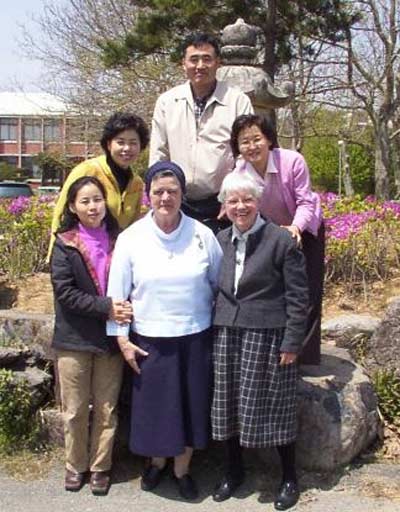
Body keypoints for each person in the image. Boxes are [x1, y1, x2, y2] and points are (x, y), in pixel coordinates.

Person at [106, 161, 223, 500]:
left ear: (183, 194)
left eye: (173, 191)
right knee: (157, 408)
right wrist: (123, 340)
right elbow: (117, 294)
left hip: (195, 335)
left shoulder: (203, 235)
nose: (166, 197)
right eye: (158, 192)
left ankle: (182, 470)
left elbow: (218, 284)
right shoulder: (131, 239)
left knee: (189, 407)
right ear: (148, 196)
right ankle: (156, 463)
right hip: (150, 339)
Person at [211, 172, 309, 510]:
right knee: (228, 405)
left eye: (247, 199)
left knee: (276, 406)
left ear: (258, 201)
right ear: (224, 206)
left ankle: (289, 477)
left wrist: (293, 342)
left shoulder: (280, 240)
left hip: (269, 334)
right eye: (233, 200)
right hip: (226, 330)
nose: (241, 206)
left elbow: (299, 297)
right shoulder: (219, 240)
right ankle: (233, 470)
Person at [50, 176, 133, 496]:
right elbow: (66, 293)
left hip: (110, 339)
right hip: (74, 339)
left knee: (106, 408)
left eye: (97, 199)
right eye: (84, 201)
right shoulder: (64, 242)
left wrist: (120, 311)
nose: (92, 206)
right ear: (72, 206)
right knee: (73, 410)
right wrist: (107, 307)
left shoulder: (120, 240)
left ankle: (100, 467)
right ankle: (75, 465)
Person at [230, 113, 324, 365]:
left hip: (304, 225)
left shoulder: (292, 161)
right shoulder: (240, 171)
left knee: (307, 289)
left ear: (269, 139)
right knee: (279, 288)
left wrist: (296, 228)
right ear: (237, 147)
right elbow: (240, 204)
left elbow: (305, 201)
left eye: (256, 139)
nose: (251, 146)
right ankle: (281, 349)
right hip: (272, 232)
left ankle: (305, 357)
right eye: (244, 142)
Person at [149, 32, 253, 232]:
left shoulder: (237, 101)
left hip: (222, 203)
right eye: (193, 59)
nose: (200, 66)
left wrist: (234, 194)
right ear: (183, 63)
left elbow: (245, 157)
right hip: (179, 201)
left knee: (222, 261)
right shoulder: (167, 101)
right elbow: (159, 154)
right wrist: (161, 196)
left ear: (218, 63)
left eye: (207, 59)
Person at [47, 111, 149, 259]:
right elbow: (61, 213)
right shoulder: (88, 170)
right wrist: (57, 256)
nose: (127, 148)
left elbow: (132, 227)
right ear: (109, 144)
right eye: (120, 142)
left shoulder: (137, 184)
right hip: (80, 256)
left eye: (133, 143)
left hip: (115, 258)